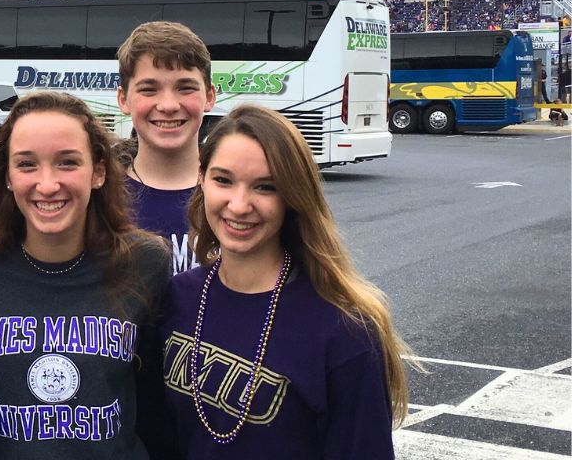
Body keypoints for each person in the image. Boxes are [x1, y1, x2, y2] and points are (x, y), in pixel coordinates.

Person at [159, 104, 411, 459]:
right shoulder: (179, 297)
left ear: (293, 196)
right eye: (223, 180)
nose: (239, 204)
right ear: (201, 177)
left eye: (265, 187)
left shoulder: (345, 331)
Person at [0, 92, 173, 459]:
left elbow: (156, 402)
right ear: (6, 175)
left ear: (98, 171)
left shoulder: (145, 263)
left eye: (68, 162)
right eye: (27, 165)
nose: (48, 184)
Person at [116, 21, 216, 275]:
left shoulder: (237, 195)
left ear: (210, 96)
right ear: (123, 100)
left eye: (185, 88)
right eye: (149, 90)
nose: (168, 105)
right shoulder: (98, 196)